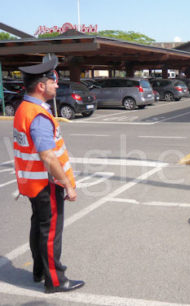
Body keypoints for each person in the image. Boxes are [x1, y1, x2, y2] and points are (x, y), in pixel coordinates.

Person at [13, 57, 84, 294]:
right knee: (51, 232)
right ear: (41, 86)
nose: (57, 85)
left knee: (39, 227)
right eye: (54, 81)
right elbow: (49, 156)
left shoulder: (24, 108)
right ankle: (55, 280)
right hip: (47, 183)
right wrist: (67, 184)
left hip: (32, 183)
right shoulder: (38, 116)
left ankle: (39, 270)